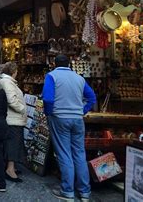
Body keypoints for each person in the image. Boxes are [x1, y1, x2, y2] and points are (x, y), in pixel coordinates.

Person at [42, 54, 96, 202]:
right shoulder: (79, 78)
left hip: (59, 118)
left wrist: (48, 113)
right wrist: (82, 110)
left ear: (54, 63)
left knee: (64, 154)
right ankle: (85, 192)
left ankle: (67, 191)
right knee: (79, 153)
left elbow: (47, 98)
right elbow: (92, 97)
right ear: (69, 64)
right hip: (77, 119)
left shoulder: (51, 76)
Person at [0, 62, 27, 183]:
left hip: (11, 118)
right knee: (13, 144)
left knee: (12, 144)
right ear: (14, 72)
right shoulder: (8, 82)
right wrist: (22, 108)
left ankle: (11, 167)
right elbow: (11, 100)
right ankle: (10, 170)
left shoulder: (5, 81)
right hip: (13, 119)